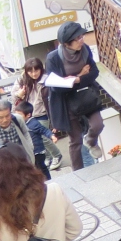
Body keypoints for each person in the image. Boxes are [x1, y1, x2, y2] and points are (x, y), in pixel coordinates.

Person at [45, 22, 104, 170]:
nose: (81, 40)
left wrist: (75, 79)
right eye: (77, 38)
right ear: (66, 43)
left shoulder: (85, 50)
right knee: (75, 140)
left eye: (81, 36)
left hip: (86, 97)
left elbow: (94, 73)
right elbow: (56, 87)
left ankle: (90, 141)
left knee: (98, 124)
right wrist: (80, 75)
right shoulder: (53, 58)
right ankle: (78, 172)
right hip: (66, 103)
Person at [15, 59, 62, 171]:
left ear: (41, 69)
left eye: (36, 70)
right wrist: (19, 94)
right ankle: (48, 157)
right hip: (27, 113)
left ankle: (57, 155)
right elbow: (13, 96)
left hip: (42, 113)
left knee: (43, 137)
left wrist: (55, 120)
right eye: (30, 71)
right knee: (35, 138)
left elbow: (54, 101)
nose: (34, 73)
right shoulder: (22, 80)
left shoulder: (47, 79)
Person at [14, 101, 54, 179]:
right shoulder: (19, 123)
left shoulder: (34, 123)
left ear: (28, 115)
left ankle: (48, 180)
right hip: (29, 151)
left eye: (19, 115)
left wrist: (51, 135)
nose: (17, 117)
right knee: (32, 168)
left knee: (41, 167)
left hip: (37, 152)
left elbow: (44, 130)